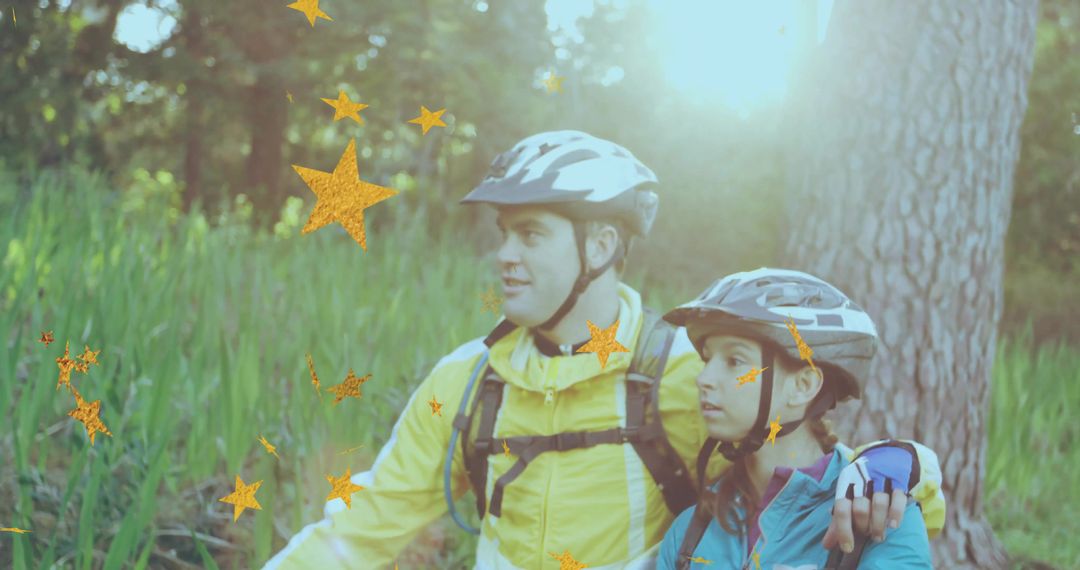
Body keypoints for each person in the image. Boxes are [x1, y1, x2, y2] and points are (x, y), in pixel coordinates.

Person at [264, 131, 945, 569]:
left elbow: (808, 468)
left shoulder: (681, 372)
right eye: (503, 233)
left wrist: (908, 464)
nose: (505, 255)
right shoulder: (467, 381)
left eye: (531, 234)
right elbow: (362, 529)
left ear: (600, 245)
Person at [657, 268, 937, 569]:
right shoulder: (690, 531)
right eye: (707, 359)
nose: (704, 379)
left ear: (803, 386)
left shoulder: (882, 517)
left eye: (734, 360)